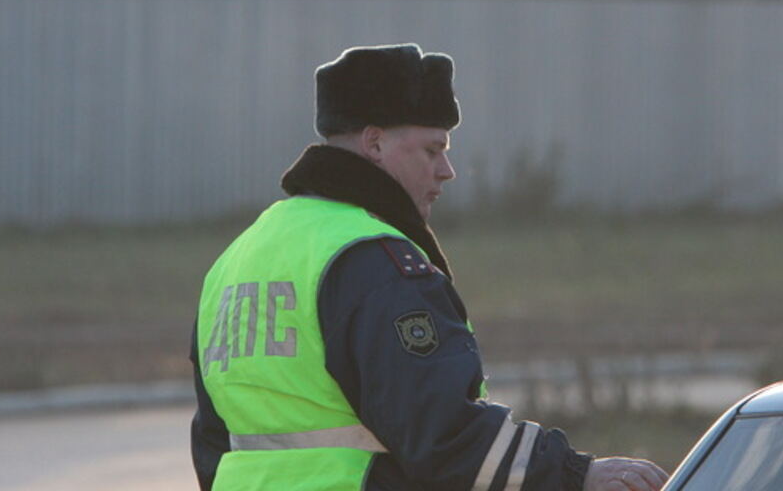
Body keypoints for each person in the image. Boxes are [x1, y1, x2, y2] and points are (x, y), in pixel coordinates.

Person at [189, 43, 668, 491]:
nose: (447, 171)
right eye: (432, 150)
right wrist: (576, 474)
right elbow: (443, 431)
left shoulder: (237, 260)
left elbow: (212, 442)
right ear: (375, 143)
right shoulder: (371, 260)